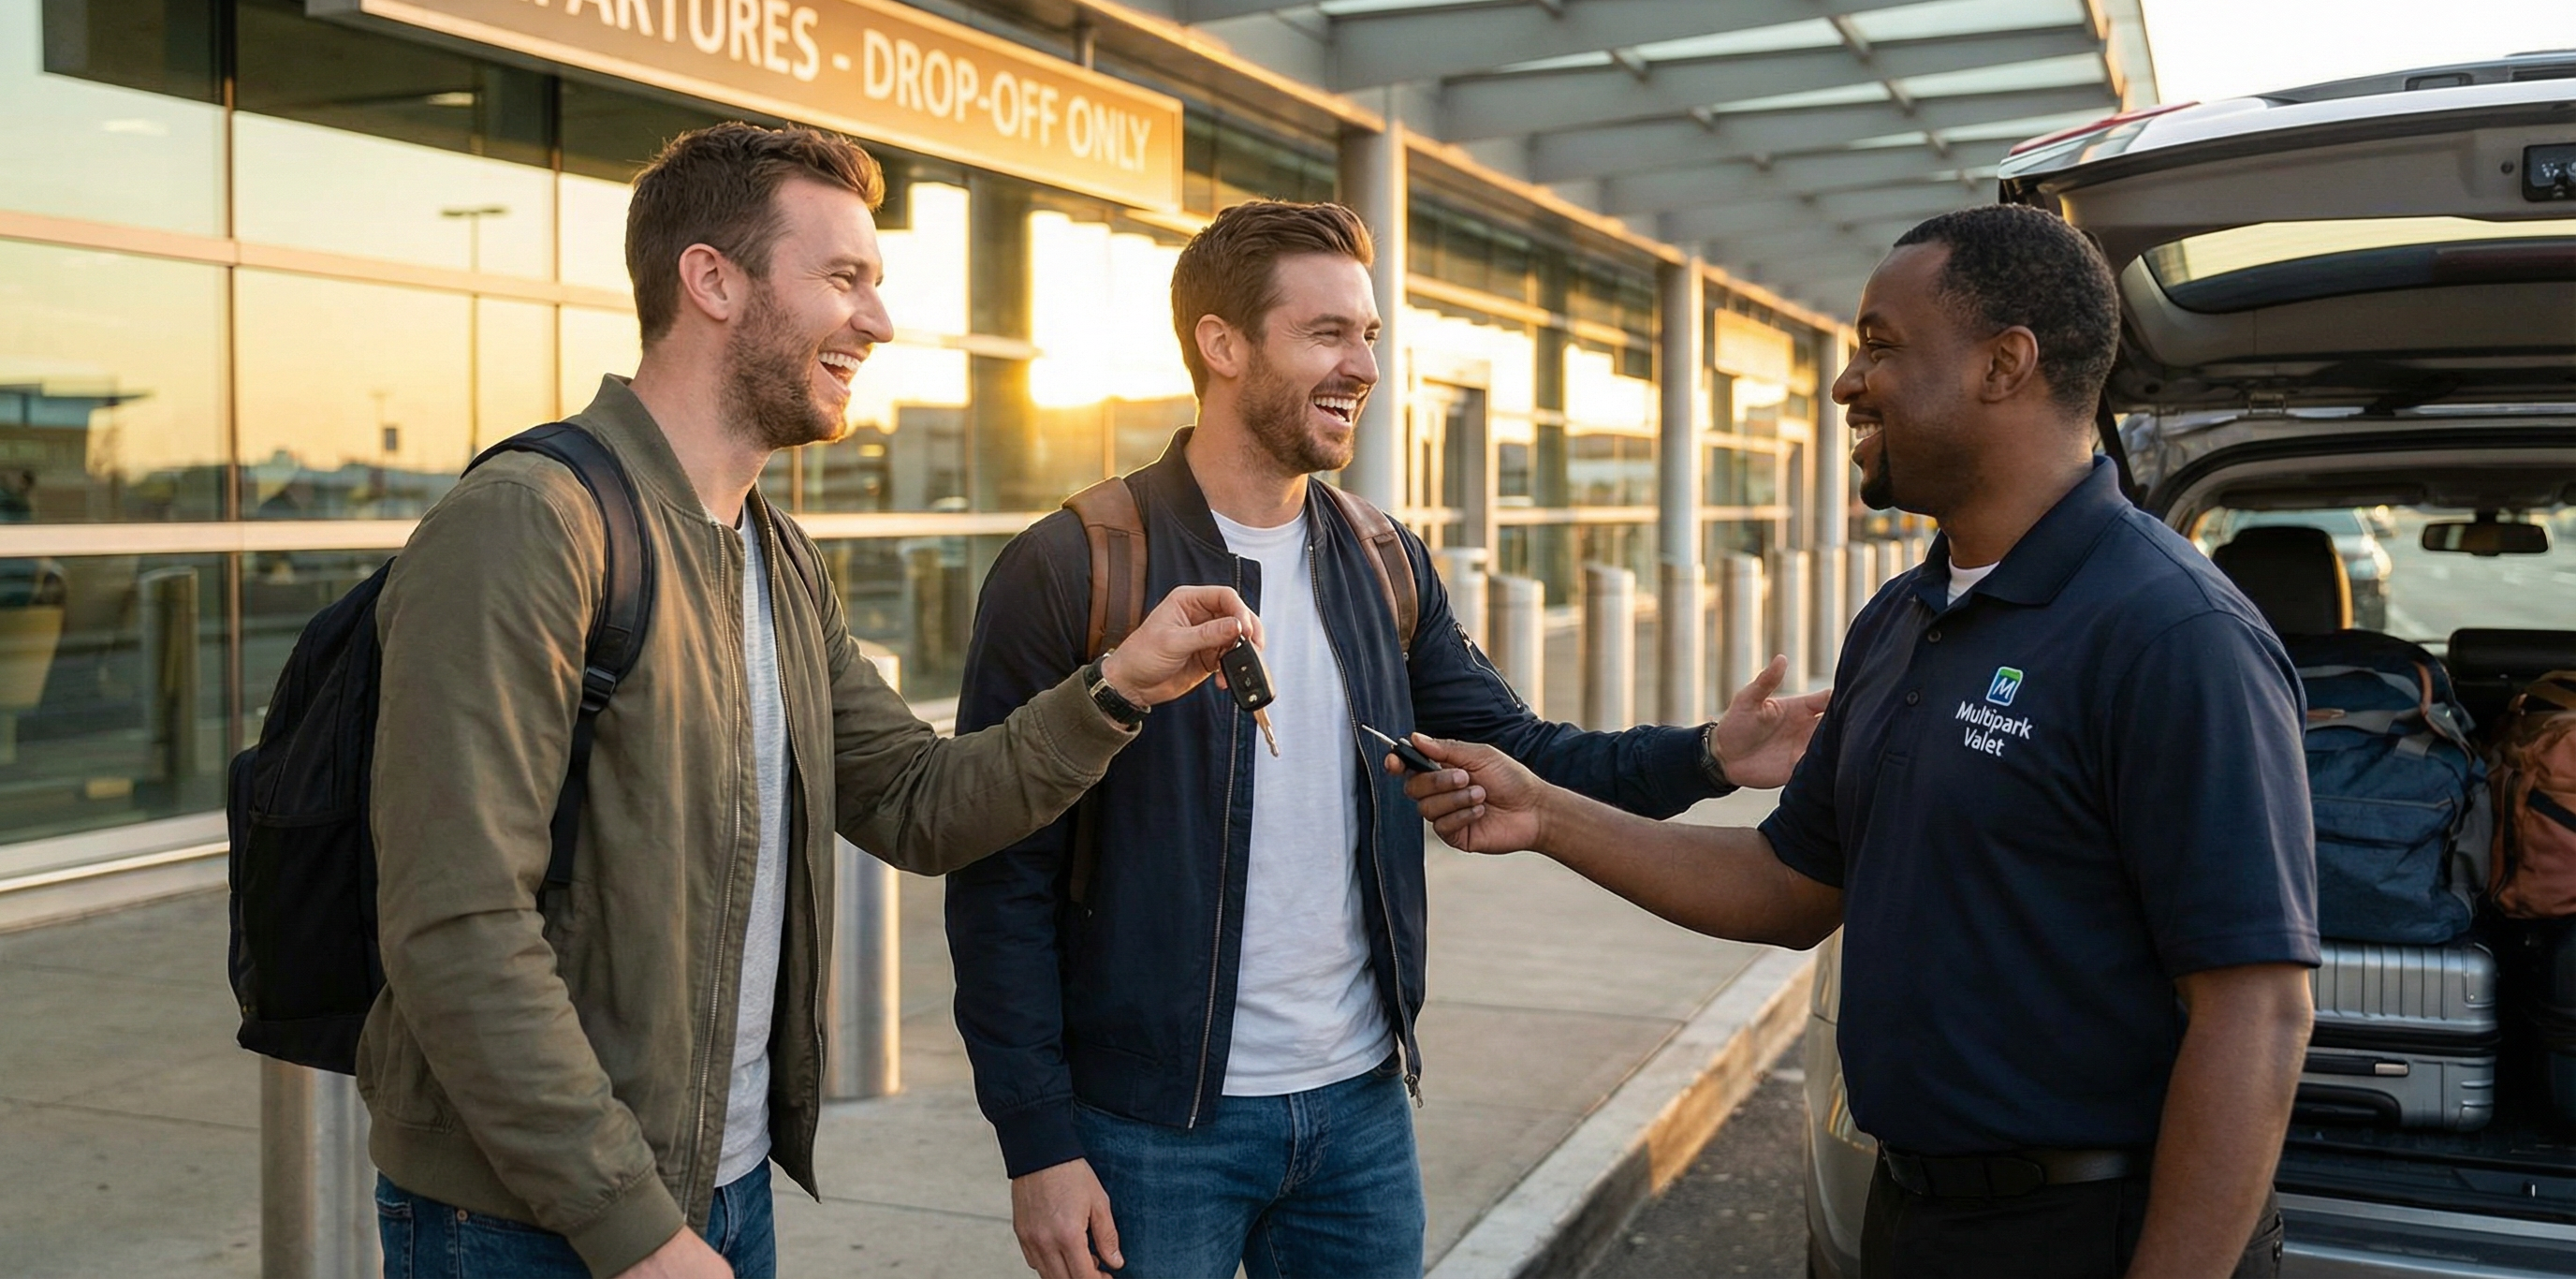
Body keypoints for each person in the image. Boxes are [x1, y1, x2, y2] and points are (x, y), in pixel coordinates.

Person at [361, 123, 1262, 1279]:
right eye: (844, 278)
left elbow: (917, 802)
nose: (878, 323)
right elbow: (458, 924)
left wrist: (1117, 687)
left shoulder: (772, 553)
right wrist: (628, 1230)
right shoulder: (532, 524)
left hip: (721, 1192)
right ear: (712, 279)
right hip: (534, 1223)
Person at [1400, 205, 2318, 1279]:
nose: (1846, 385)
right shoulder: (1901, 617)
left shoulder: (2172, 633)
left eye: (1881, 348)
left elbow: (2255, 1011)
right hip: (1909, 1216)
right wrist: (1548, 814)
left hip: (2086, 1233)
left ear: (2003, 364)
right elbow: (1792, 882)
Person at [944, 198, 1829, 1279]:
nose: (1363, 363)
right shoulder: (1077, 564)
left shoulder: (1379, 558)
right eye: (1327, 333)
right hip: (1148, 1130)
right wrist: (1038, 1143)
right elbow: (1000, 874)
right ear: (1221, 346)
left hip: (1362, 1111)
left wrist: (1706, 757)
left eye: (1367, 334)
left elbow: (1519, 749)